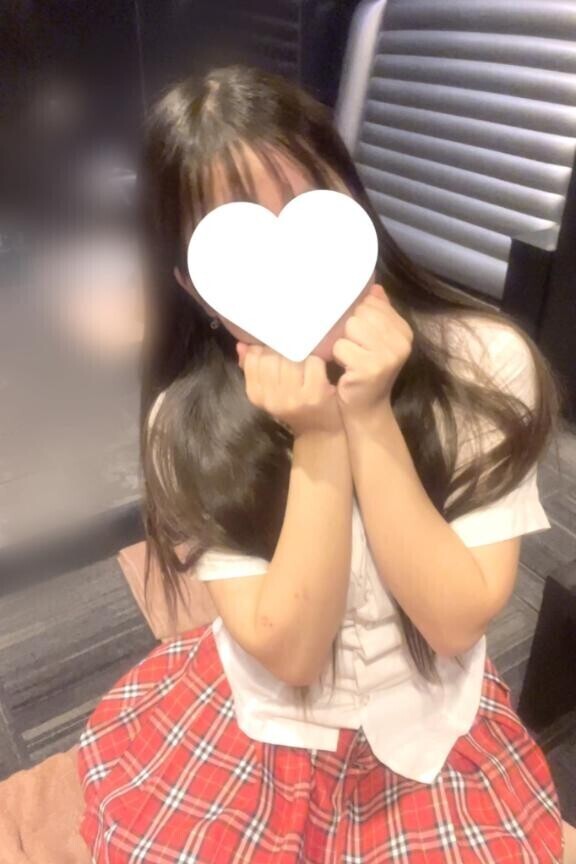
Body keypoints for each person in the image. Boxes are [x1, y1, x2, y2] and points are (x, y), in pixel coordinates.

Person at [77, 64, 572, 863]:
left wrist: (369, 416)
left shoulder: (483, 362)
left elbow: (453, 623)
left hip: (431, 731)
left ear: (355, 207)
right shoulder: (187, 421)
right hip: (268, 727)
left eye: (308, 211)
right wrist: (318, 437)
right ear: (193, 286)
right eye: (241, 242)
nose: (290, 268)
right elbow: (294, 654)